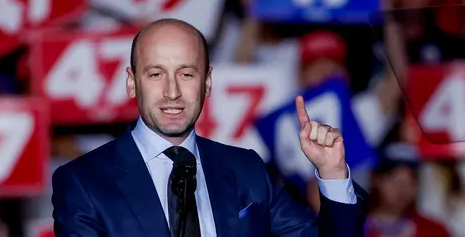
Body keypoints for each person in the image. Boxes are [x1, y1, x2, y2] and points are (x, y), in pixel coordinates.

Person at [52, 18, 369, 237]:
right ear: (132, 83)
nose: (172, 91)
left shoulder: (247, 170)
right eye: (156, 74)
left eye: (186, 74)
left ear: (207, 83)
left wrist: (332, 173)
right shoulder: (83, 181)